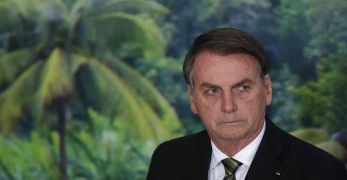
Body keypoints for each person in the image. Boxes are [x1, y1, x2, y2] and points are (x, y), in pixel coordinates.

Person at [146, 28, 347, 180]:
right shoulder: (168, 160)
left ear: (267, 90)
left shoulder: (321, 171)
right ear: (192, 99)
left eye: (242, 88)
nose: (228, 106)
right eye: (212, 91)